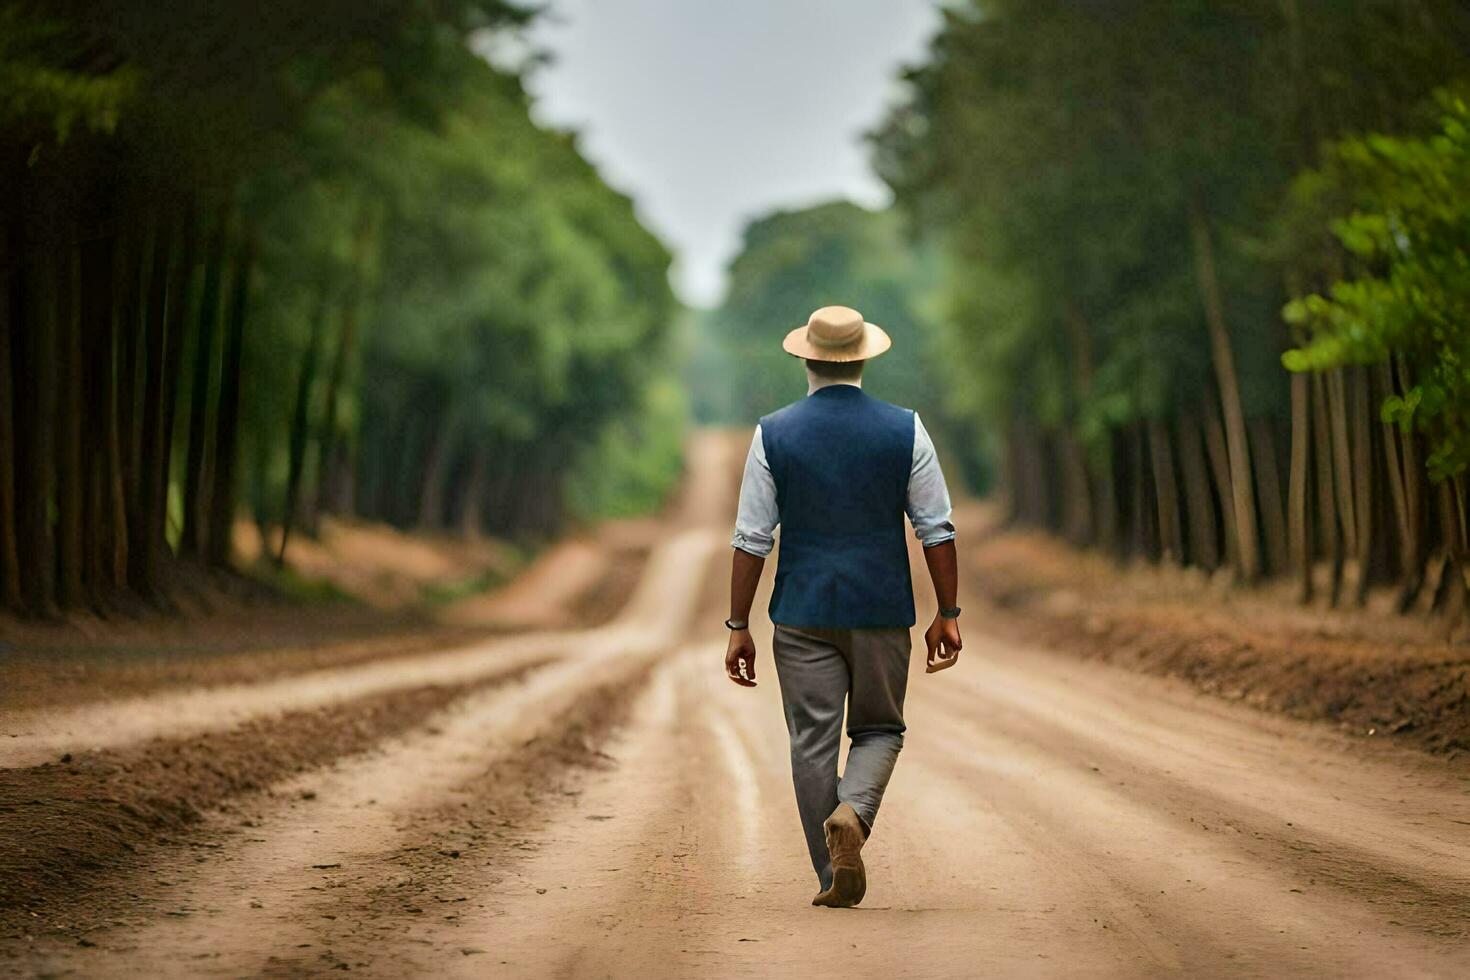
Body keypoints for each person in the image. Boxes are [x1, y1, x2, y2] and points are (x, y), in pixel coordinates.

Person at [724, 305, 963, 909]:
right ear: (863, 359)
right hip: (882, 610)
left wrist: (737, 625)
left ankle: (833, 877)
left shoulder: (772, 432)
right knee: (880, 729)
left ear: (806, 358)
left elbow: (752, 537)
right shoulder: (905, 428)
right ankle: (853, 816)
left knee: (811, 743)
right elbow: (936, 529)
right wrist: (949, 612)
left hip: (800, 612)